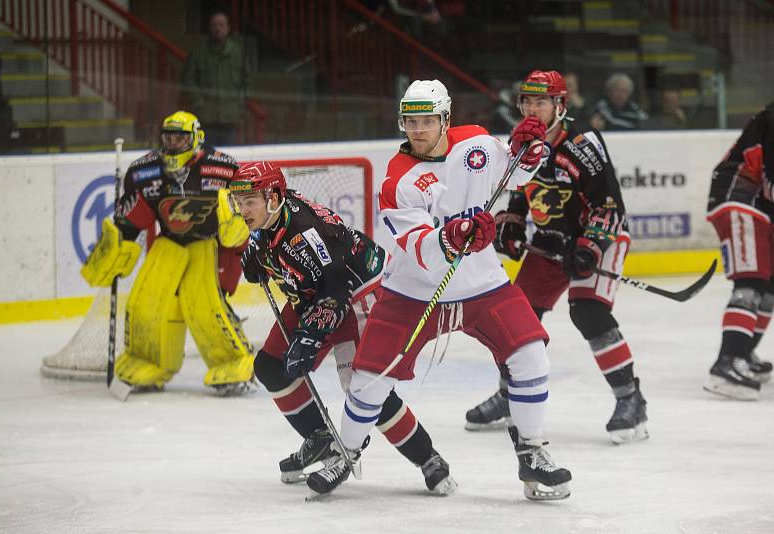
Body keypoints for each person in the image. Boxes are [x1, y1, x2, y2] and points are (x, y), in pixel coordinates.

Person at [306, 79, 572, 500]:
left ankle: (532, 453)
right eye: (411, 121)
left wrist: (530, 148)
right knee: (368, 381)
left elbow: (517, 174)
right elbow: (419, 245)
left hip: (483, 283)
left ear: (445, 118)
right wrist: (455, 236)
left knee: (530, 356)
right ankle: (348, 451)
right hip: (416, 291)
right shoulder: (397, 178)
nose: (418, 129)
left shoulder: (476, 142)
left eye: (428, 120)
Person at [223, 161, 456, 494]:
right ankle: (321, 439)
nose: (243, 210)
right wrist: (259, 259)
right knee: (271, 366)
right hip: (314, 293)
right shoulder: (271, 217)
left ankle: (428, 458)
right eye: (239, 201)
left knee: (363, 390)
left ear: (273, 197)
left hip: (356, 293)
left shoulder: (306, 233)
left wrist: (310, 335)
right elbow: (292, 261)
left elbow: (336, 285)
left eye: (250, 202)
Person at [465, 70, 649, 445]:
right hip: (550, 243)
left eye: (542, 102)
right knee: (516, 317)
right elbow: (518, 190)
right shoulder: (520, 144)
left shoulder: (582, 142)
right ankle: (509, 394)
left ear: (559, 105)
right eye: (527, 101)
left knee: (588, 310)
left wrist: (590, 245)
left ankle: (631, 399)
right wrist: (512, 224)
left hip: (599, 237)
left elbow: (610, 205)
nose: (533, 109)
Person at [80, 111, 255, 395]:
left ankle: (235, 362)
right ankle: (147, 362)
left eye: (180, 138)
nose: (173, 144)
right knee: (144, 304)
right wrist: (115, 247)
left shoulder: (222, 168)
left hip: (208, 245)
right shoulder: (145, 170)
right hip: (169, 243)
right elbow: (132, 216)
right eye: (168, 138)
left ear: (196, 137)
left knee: (206, 307)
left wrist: (237, 234)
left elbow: (242, 211)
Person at [704, 101, 774, 400]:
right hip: (739, 197)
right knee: (752, 280)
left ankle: (742, 352)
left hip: (760, 204)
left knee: (769, 286)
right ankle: (728, 361)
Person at [181, 10, 249, 146]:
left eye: (221, 25)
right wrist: (198, 102)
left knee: (229, 157)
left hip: (230, 117)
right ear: (209, 28)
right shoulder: (198, 53)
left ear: (228, 28)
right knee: (207, 157)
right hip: (206, 117)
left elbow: (247, 81)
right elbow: (188, 80)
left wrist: (240, 104)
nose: (218, 29)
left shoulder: (238, 53)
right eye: (214, 25)